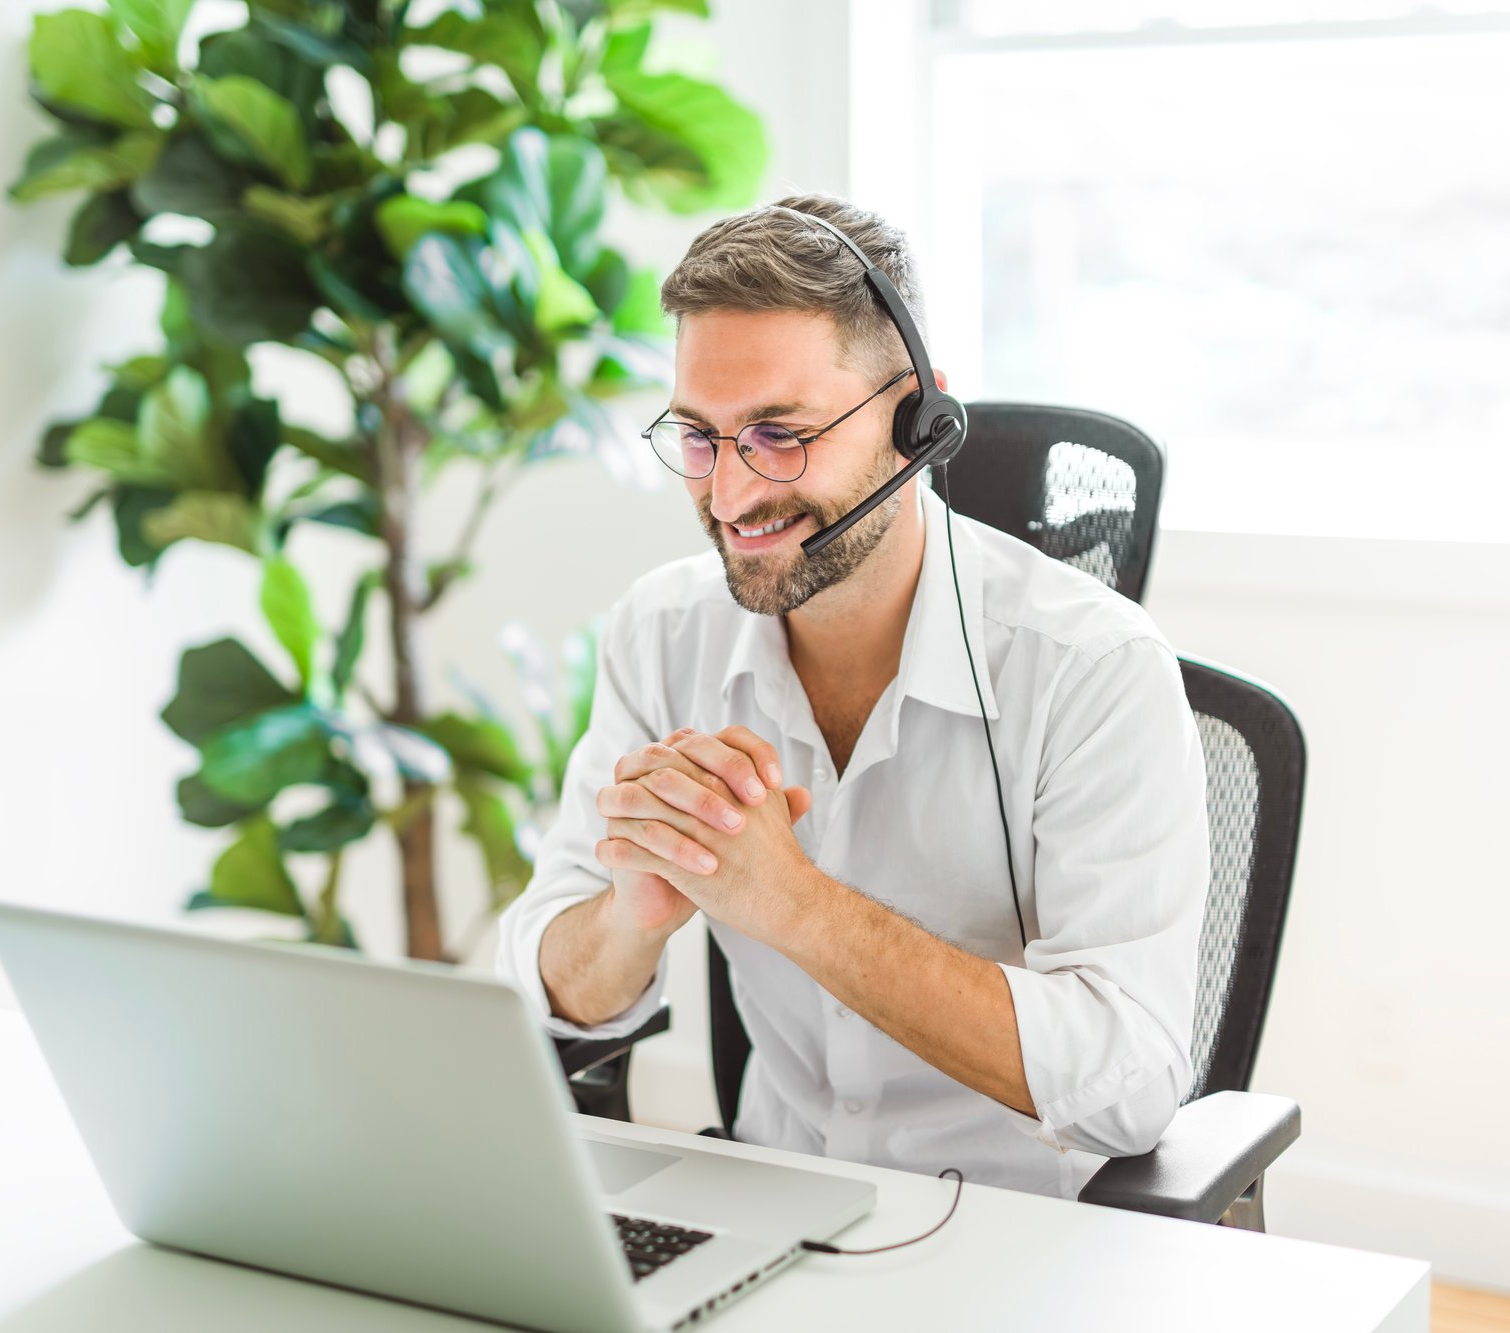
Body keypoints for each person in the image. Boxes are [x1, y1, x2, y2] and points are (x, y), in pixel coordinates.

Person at [497, 194, 1209, 1199]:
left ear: (915, 418)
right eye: (699, 438)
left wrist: (790, 904)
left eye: (779, 434)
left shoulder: (1091, 669)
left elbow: (1128, 1078)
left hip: (1032, 1237)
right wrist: (630, 919)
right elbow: (548, 979)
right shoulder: (662, 635)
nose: (732, 494)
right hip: (771, 1208)